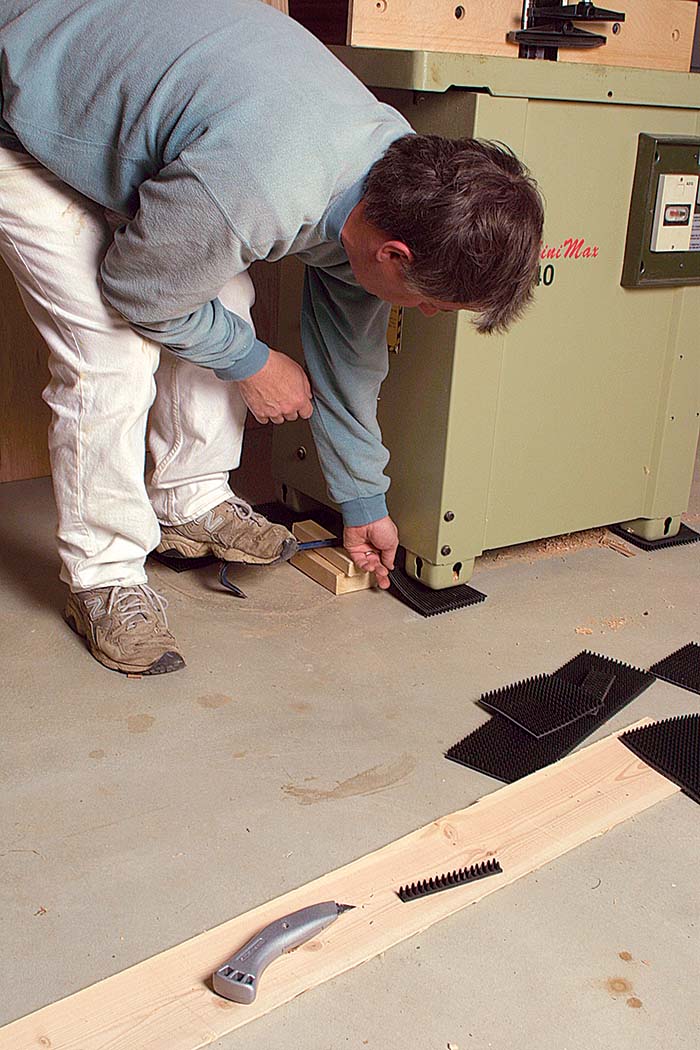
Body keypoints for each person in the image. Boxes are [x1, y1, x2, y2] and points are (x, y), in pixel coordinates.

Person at [0, 0, 544, 676]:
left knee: (223, 289)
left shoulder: (397, 179)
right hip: (26, 111)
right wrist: (252, 363)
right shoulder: (261, 186)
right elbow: (139, 288)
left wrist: (362, 500)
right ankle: (105, 575)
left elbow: (348, 357)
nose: (430, 316)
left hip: (142, 116)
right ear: (395, 255)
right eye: (433, 303)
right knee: (112, 351)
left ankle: (190, 498)